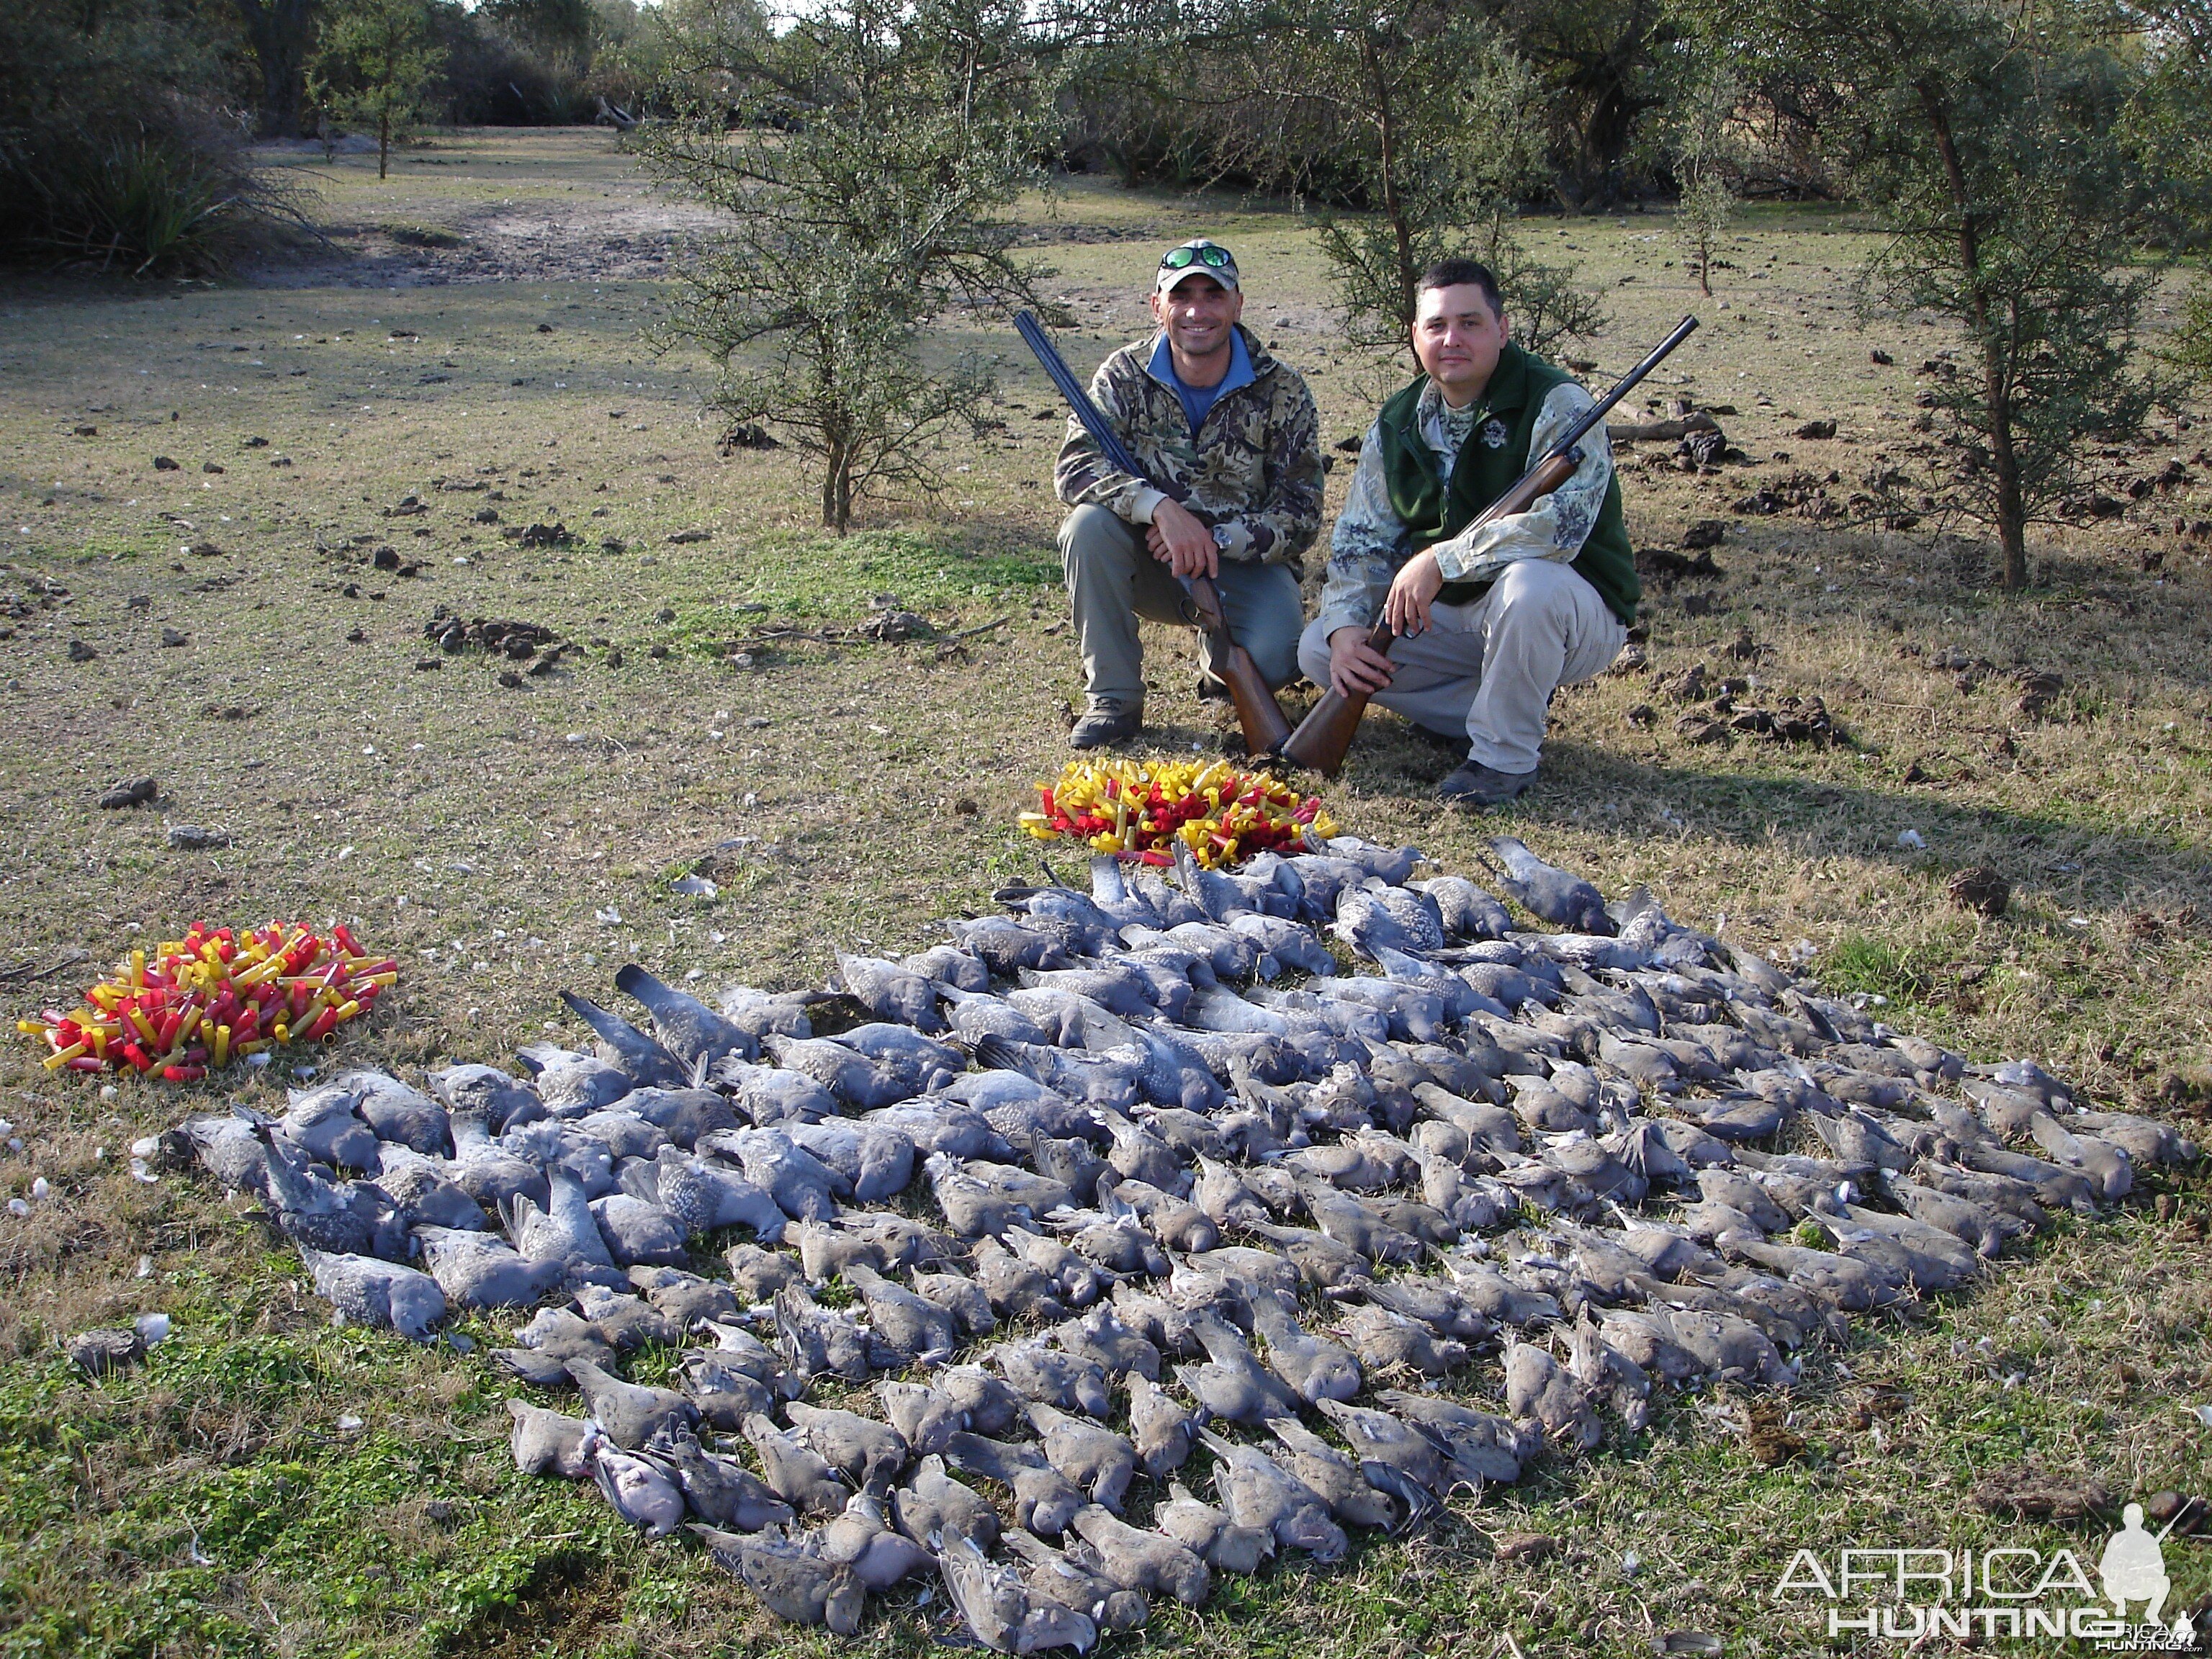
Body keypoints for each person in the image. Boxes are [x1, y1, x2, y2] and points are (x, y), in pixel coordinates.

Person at [1298, 257, 1639, 805]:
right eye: (1436, 326)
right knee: (1319, 652)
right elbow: (1362, 539)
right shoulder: (1398, 420)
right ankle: (1493, 708)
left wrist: (1442, 561)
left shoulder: (1560, 403)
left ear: (1502, 330)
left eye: (1470, 323)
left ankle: (1502, 760)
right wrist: (1343, 627)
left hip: (1571, 611)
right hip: (1460, 618)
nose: (1451, 338)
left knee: (1530, 588)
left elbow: (1563, 528)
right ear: (1415, 336)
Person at [1053, 238, 1324, 749]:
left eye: (1213, 295)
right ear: (1157, 306)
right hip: (1149, 559)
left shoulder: (1283, 390)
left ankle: (1221, 667)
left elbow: (1302, 514)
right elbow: (1075, 466)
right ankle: (1115, 699)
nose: (1197, 311)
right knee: (1086, 528)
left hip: (1241, 566)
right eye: (1181, 296)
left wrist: (1214, 539)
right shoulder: (1122, 375)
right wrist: (1156, 509)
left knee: (1277, 658)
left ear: (1238, 304)